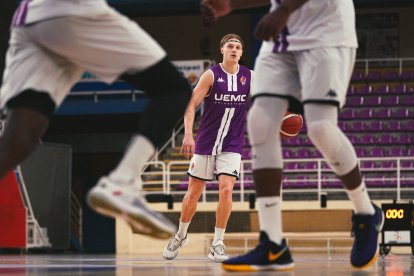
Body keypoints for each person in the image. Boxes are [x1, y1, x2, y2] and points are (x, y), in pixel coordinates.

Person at [201, 0, 384, 272]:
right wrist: (231, 4)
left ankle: (367, 213)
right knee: (261, 121)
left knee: (321, 128)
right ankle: (273, 244)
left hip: (326, 31)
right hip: (284, 36)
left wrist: (285, 10)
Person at [0, 0, 193, 239]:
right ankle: (121, 183)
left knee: (22, 135)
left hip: (31, 19)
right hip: (72, 11)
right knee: (174, 91)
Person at [162, 34, 253, 262]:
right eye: (230, 46)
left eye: (238, 47)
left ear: (241, 53)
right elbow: (191, 105)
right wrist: (188, 135)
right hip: (206, 142)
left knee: (226, 190)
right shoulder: (211, 75)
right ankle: (181, 235)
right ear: (222, 50)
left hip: (232, 143)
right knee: (193, 194)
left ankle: (218, 243)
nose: (234, 50)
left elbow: (264, 102)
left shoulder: (249, 77)